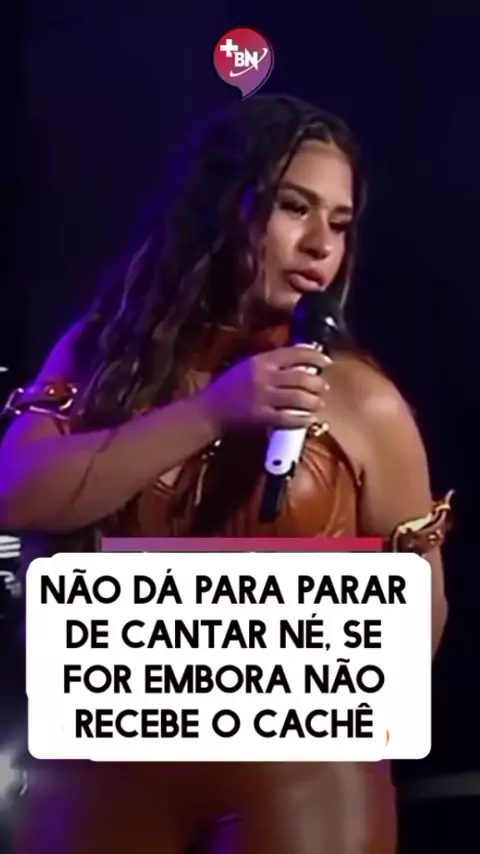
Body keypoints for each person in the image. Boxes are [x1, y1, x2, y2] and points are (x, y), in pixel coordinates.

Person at [0, 94, 451, 853]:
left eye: (340, 223)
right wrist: (211, 412)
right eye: (294, 207)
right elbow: (17, 493)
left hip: (304, 777)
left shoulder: (359, 396)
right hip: (102, 767)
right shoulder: (104, 356)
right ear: (222, 205)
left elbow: (417, 623)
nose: (321, 245)